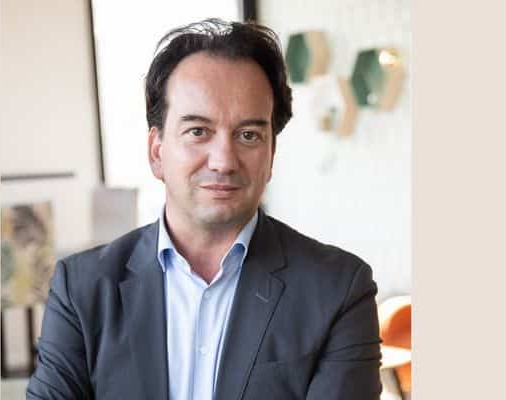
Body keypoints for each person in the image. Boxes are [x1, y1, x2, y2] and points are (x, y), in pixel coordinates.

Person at [27, 18, 382, 400]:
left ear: (271, 155)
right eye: (198, 132)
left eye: (249, 135)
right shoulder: (81, 289)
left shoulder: (338, 289)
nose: (224, 161)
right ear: (157, 152)